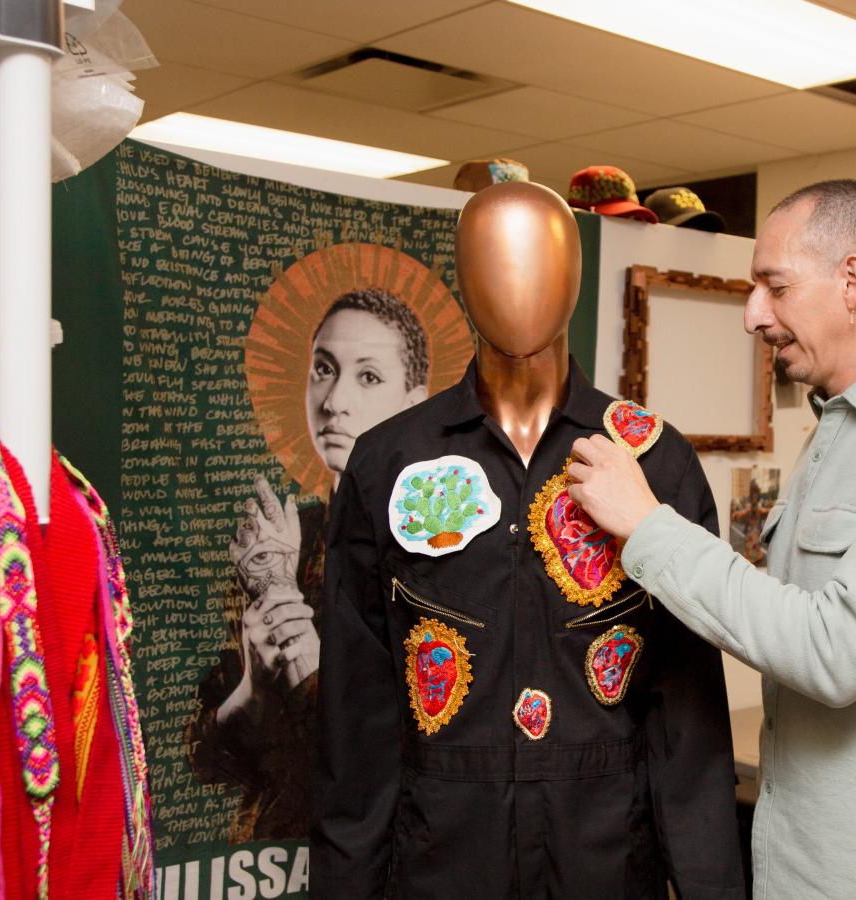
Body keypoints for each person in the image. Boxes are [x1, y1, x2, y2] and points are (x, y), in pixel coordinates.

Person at [568, 179, 856, 899]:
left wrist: (648, 527)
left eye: (775, 287)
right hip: (799, 861)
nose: (754, 315)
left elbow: (835, 649)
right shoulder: (837, 428)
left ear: (851, 279)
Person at [312, 183, 744, 899]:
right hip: (443, 854)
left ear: (574, 277)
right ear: (463, 278)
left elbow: (688, 717)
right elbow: (355, 722)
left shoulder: (652, 462)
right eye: (492, 260)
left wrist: (709, 886)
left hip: (602, 852)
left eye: (537, 260)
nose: (515, 284)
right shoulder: (389, 463)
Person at [186, 287, 429, 842]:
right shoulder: (281, 546)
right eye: (324, 368)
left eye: (368, 377)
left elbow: (429, 746)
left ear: (416, 403)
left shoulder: (438, 547)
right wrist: (256, 682)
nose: (333, 400)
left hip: (391, 850)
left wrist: (316, 671)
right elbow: (209, 758)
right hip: (275, 852)